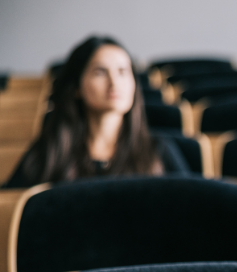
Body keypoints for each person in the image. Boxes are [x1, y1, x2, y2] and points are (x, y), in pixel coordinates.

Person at [4, 36, 189, 189]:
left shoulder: (159, 150)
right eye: (100, 72)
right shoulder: (50, 150)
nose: (114, 83)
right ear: (77, 86)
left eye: (123, 72)